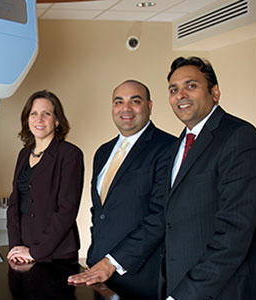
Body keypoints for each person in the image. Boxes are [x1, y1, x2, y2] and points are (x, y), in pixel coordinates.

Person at [161, 56, 256, 299]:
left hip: (219, 289)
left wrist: (186, 294)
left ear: (214, 93)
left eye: (190, 86)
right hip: (179, 282)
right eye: (174, 89)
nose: (180, 94)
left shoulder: (239, 137)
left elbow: (234, 231)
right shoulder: (179, 144)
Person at [67, 80, 176, 299]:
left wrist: (112, 262)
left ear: (150, 106)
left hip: (141, 275)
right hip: (98, 272)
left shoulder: (168, 147)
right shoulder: (103, 152)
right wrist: (97, 260)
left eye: (135, 101)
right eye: (119, 102)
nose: (125, 108)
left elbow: (161, 216)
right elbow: (100, 212)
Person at [7, 90, 84, 264]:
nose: (39, 119)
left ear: (57, 120)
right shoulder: (23, 154)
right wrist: (15, 247)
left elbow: (67, 209)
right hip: (23, 249)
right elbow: (14, 204)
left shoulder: (70, 154)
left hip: (57, 252)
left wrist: (36, 252)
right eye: (33, 113)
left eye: (46, 114)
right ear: (27, 119)